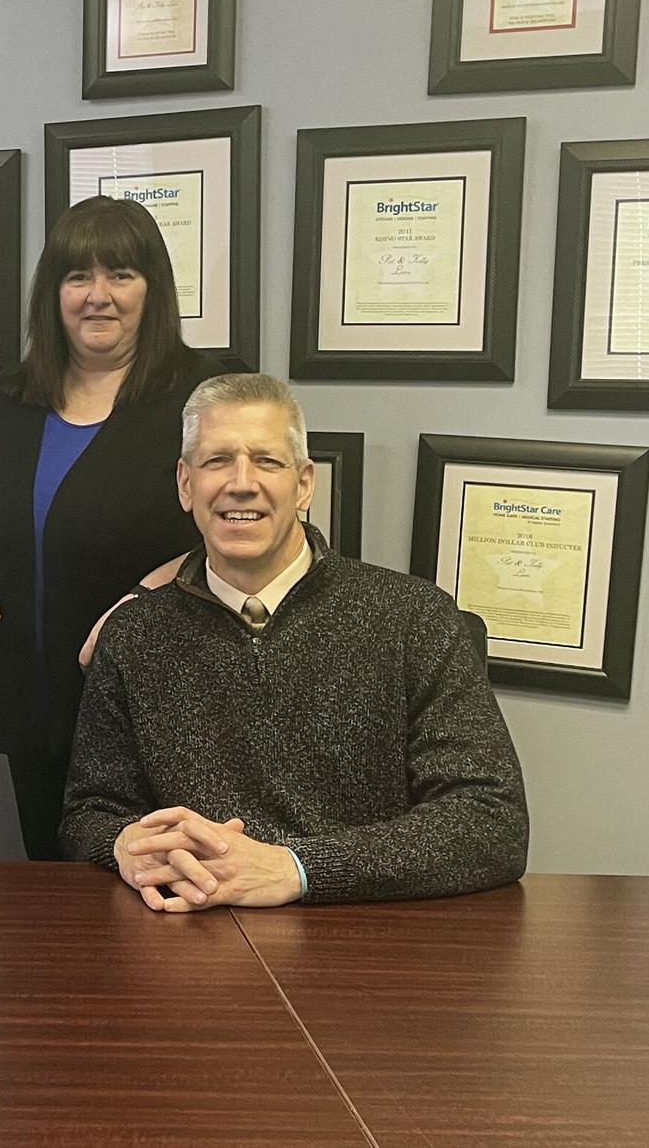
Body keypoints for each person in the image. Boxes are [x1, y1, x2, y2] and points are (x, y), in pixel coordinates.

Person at [61, 374, 530, 908]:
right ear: (185, 485)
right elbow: (89, 813)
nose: (241, 482)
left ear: (305, 483)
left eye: (267, 461)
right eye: (217, 461)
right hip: (183, 936)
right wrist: (123, 844)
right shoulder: (135, 635)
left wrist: (299, 869)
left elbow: (491, 822)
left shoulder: (416, 619)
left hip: (370, 936)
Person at [0, 195, 221, 860]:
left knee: (164, 910)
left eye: (120, 275)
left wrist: (147, 600)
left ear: (153, 289)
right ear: (52, 293)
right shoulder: (6, 403)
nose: (97, 296)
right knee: (61, 911)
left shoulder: (205, 395)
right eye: (76, 277)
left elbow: (247, 527)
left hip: (164, 711)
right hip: (32, 712)